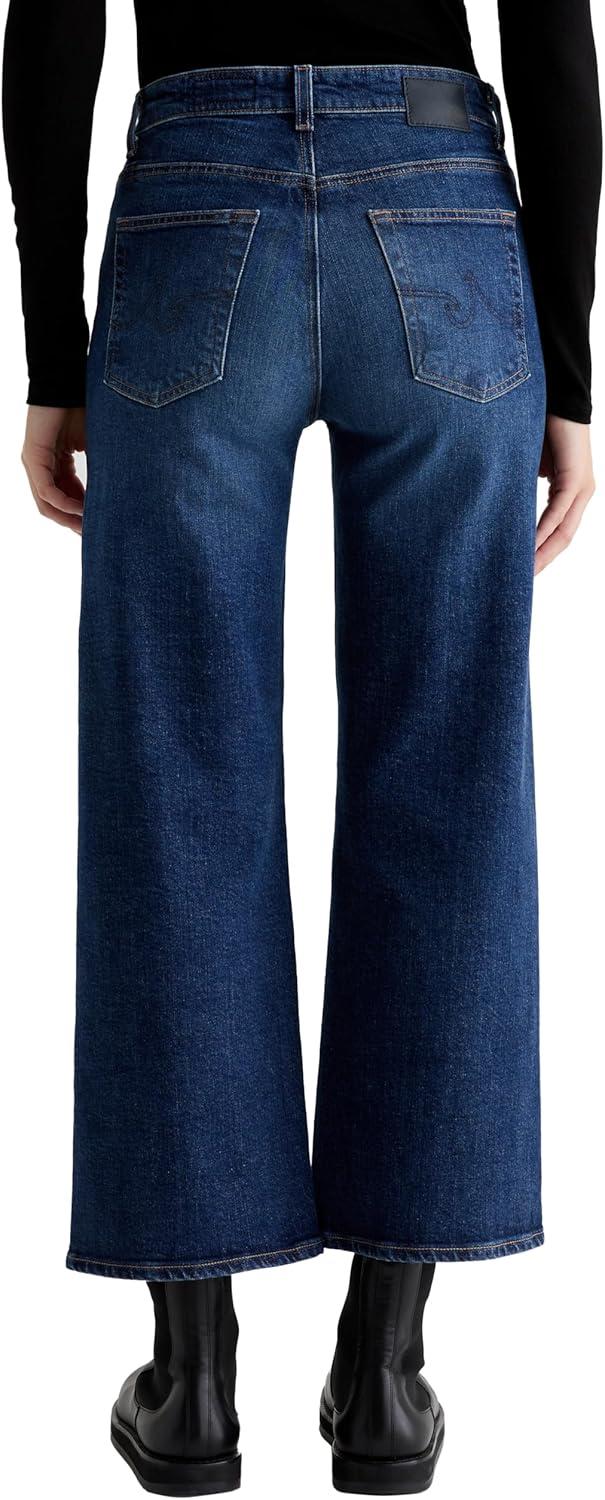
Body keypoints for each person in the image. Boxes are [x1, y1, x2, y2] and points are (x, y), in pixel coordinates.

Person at [2, 2, 601, 1495]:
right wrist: (570, 370)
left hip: (196, 214)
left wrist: (53, 354)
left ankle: (192, 1379)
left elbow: (52, 25)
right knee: (451, 774)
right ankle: (386, 1373)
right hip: (441, 212)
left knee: (173, 778)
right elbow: (549, 30)